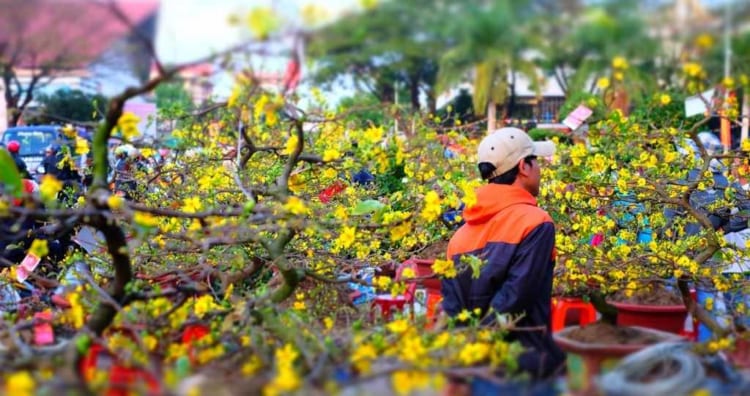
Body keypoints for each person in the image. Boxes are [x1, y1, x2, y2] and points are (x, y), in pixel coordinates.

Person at [442, 127, 565, 380]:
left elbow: (453, 309)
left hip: (474, 367)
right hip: (526, 368)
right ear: (523, 167)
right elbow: (516, 296)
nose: (540, 169)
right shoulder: (536, 222)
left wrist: (468, 357)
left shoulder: (459, 237)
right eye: (536, 161)